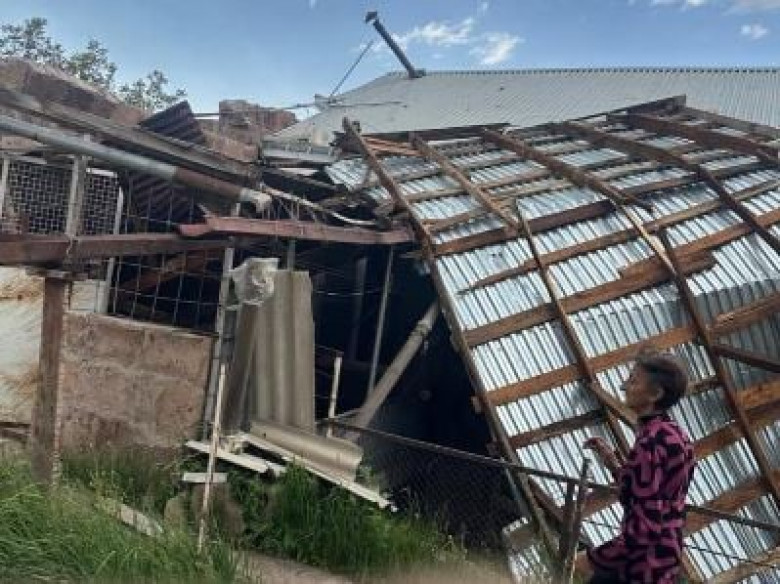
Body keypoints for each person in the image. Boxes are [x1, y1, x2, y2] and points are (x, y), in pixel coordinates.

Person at [581, 349, 696, 584]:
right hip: (665, 560)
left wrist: (594, 558)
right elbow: (652, 494)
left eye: (633, 381)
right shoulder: (676, 435)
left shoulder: (650, 442)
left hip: (640, 566)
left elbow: (646, 527)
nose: (623, 387)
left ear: (655, 393)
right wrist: (614, 464)